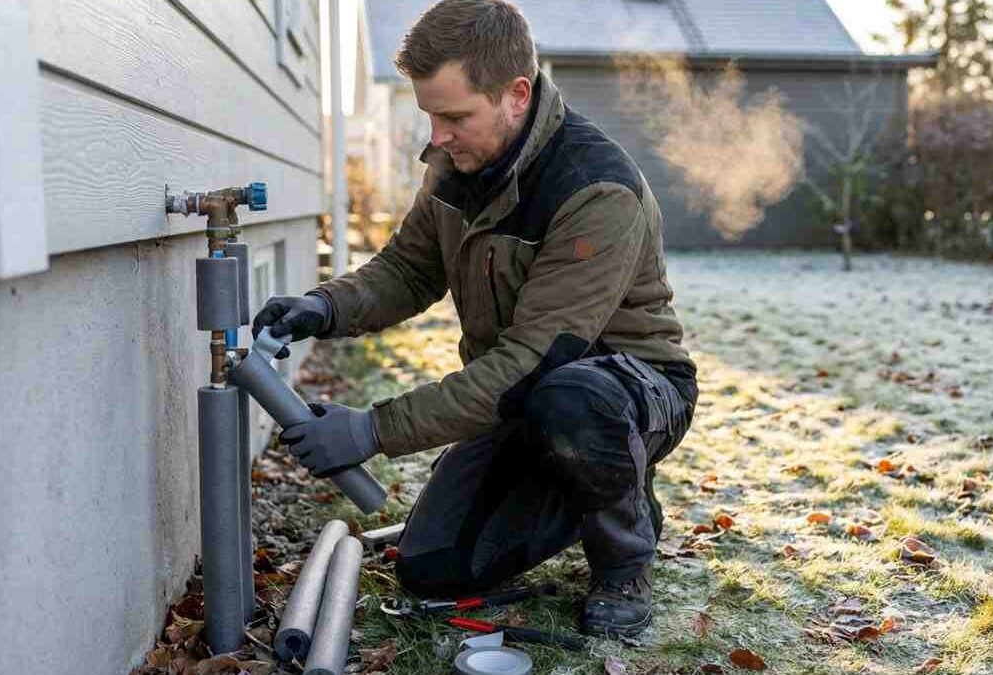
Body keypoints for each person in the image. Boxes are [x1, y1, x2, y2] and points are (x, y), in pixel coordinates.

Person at [252, 0, 697, 638]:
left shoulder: (594, 191)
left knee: (571, 397)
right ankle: (585, 489)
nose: (437, 136)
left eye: (454, 116)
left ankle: (624, 557)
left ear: (517, 95)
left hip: (629, 391)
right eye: (431, 115)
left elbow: (533, 363)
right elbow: (408, 269)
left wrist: (373, 431)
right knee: (432, 568)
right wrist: (324, 307)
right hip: (525, 400)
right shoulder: (457, 165)